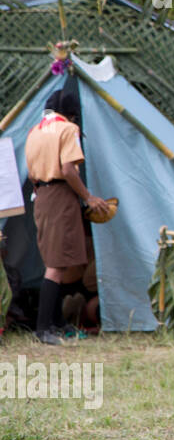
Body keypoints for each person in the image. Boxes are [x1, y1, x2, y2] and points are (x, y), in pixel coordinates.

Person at [24, 87, 109, 346]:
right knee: (57, 265)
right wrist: (88, 197)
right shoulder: (67, 130)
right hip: (61, 196)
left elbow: (30, 175)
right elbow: (68, 169)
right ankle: (43, 328)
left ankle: (57, 322)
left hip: (42, 197)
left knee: (55, 259)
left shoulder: (34, 131)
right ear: (71, 115)